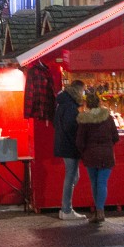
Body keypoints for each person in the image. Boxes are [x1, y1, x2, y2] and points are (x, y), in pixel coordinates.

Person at [75, 91, 119, 224]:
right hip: (106, 154)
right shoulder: (108, 118)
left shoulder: (84, 119)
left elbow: (79, 141)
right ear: (100, 102)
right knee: (102, 183)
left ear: (87, 104)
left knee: (94, 183)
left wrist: (83, 152)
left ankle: (98, 212)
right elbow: (115, 137)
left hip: (90, 155)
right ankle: (100, 211)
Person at [53, 79, 86, 221]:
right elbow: (70, 126)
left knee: (73, 176)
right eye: (83, 91)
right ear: (79, 90)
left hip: (64, 143)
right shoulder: (71, 106)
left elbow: (57, 124)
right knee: (71, 176)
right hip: (69, 145)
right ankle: (66, 209)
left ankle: (65, 208)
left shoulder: (63, 103)